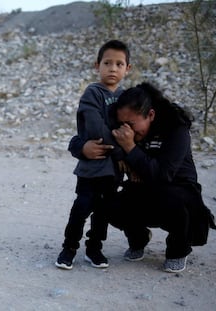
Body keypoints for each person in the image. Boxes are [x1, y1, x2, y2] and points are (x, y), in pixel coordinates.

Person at [71, 82, 216, 273]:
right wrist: (82, 148)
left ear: (150, 115)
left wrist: (131, 148)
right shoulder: (126, 127)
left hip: (179, 193)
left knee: (173, 199)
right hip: (144, 190)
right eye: (122, 124)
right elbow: (84, 136)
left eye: (131, 124)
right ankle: (138, 238)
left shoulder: (176, 129)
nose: (127, 130)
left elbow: (163, 175)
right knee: (109, 203)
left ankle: (178, 250)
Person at [55, 40, 131, 270]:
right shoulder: (93, 93)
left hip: (113, 171)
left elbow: (130, 128)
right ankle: (69, 248)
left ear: (128, 69)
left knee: (103, 212)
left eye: (119, 64)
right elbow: (97, 129)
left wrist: (125, 155)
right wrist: (120, 151)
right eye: (107, 63)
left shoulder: (127, 96)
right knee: (82, 207)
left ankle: (94, 249)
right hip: (92, 166)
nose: (113, 68)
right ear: (97, 65)